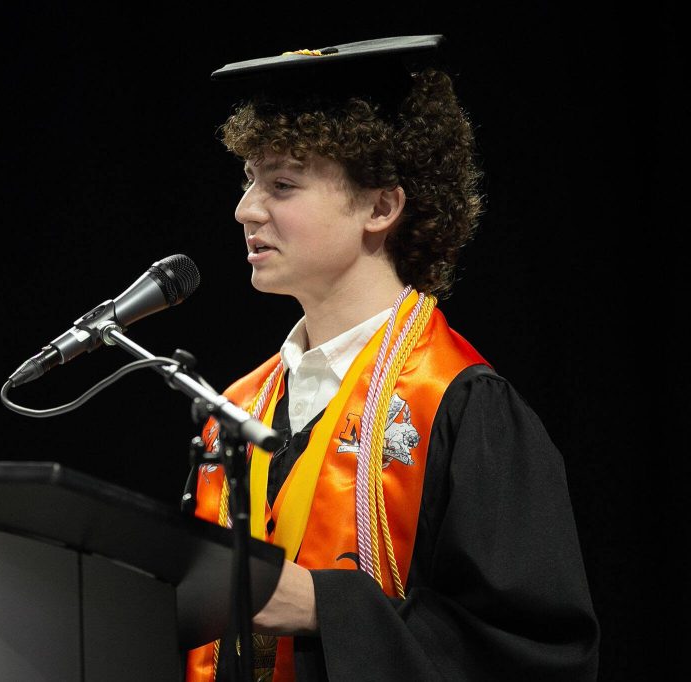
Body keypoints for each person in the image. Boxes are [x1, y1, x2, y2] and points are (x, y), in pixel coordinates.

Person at [183, 36, 599, 681]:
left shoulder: (460, 403)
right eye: (249, 181)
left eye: (283, 184)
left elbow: (537, 655)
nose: (246, 209)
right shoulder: (234, 411)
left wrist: (329, 608)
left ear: (380, 206)